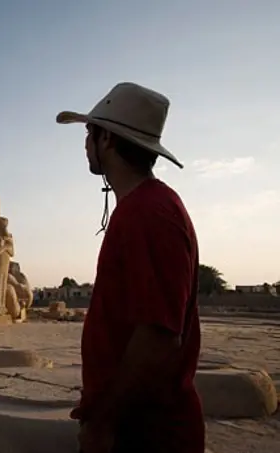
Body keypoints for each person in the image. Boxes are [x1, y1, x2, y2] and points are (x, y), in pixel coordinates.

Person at [56, 82, 205, 453]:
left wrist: (104, 422)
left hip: (145, 433)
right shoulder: (143, 208)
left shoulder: (148, 214)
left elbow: (157, 338)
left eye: (90, 132)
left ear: (107, 139)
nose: (85, 143)